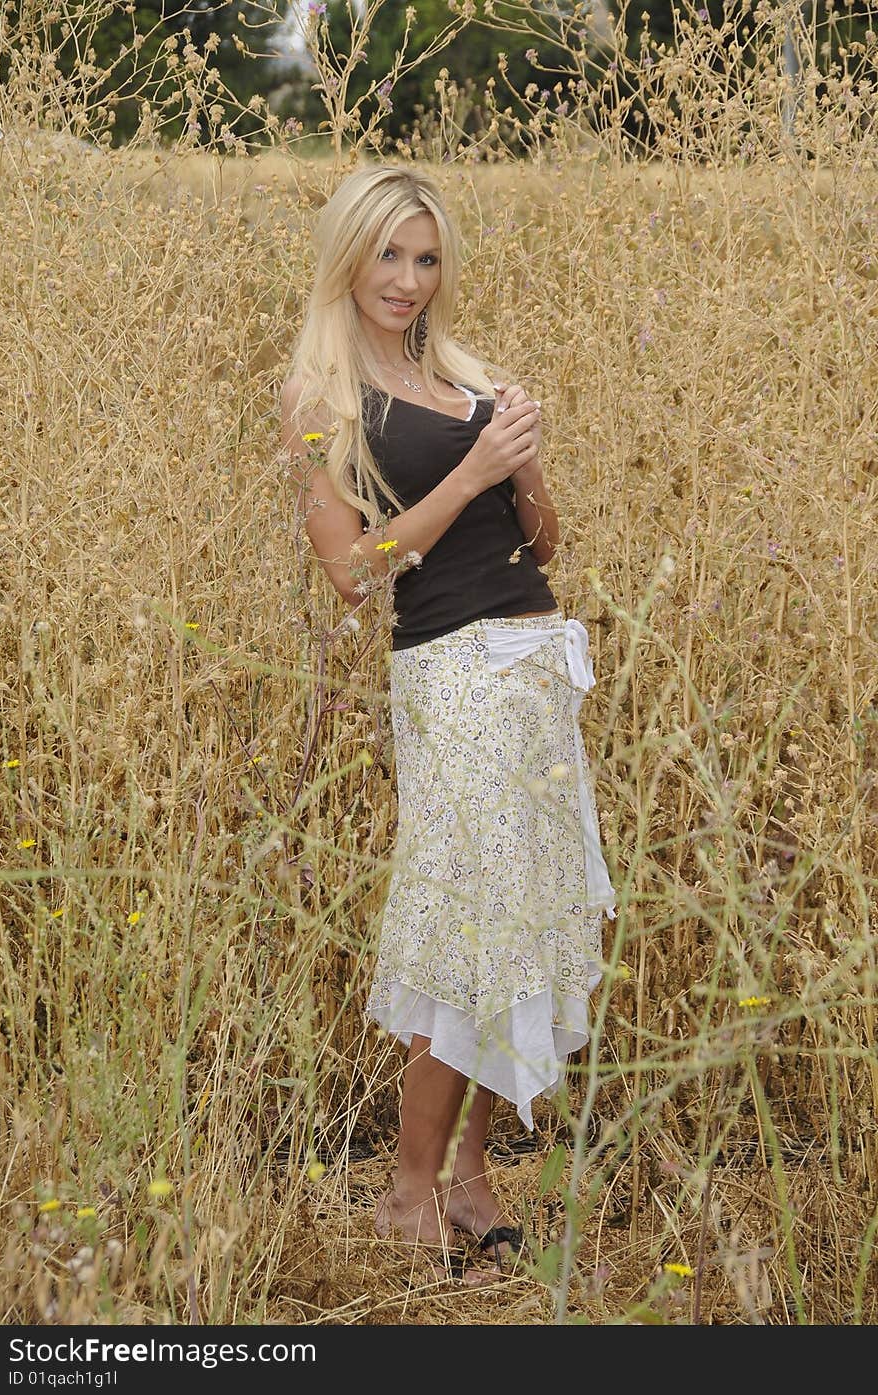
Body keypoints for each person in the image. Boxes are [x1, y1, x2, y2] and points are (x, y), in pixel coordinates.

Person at [280, 165, 617, 1286]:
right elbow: (348, 573)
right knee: (471, 923)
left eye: (426, 261)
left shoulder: (459, 373)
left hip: (531, 663)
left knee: (520, 919)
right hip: (451, 670)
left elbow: (546, 540)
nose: (408, 281)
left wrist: (517, 466)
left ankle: (471, 1178)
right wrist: (474, 465)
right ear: (349, 254)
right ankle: (409, 1190)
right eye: (389, 255)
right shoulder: (322, 399)